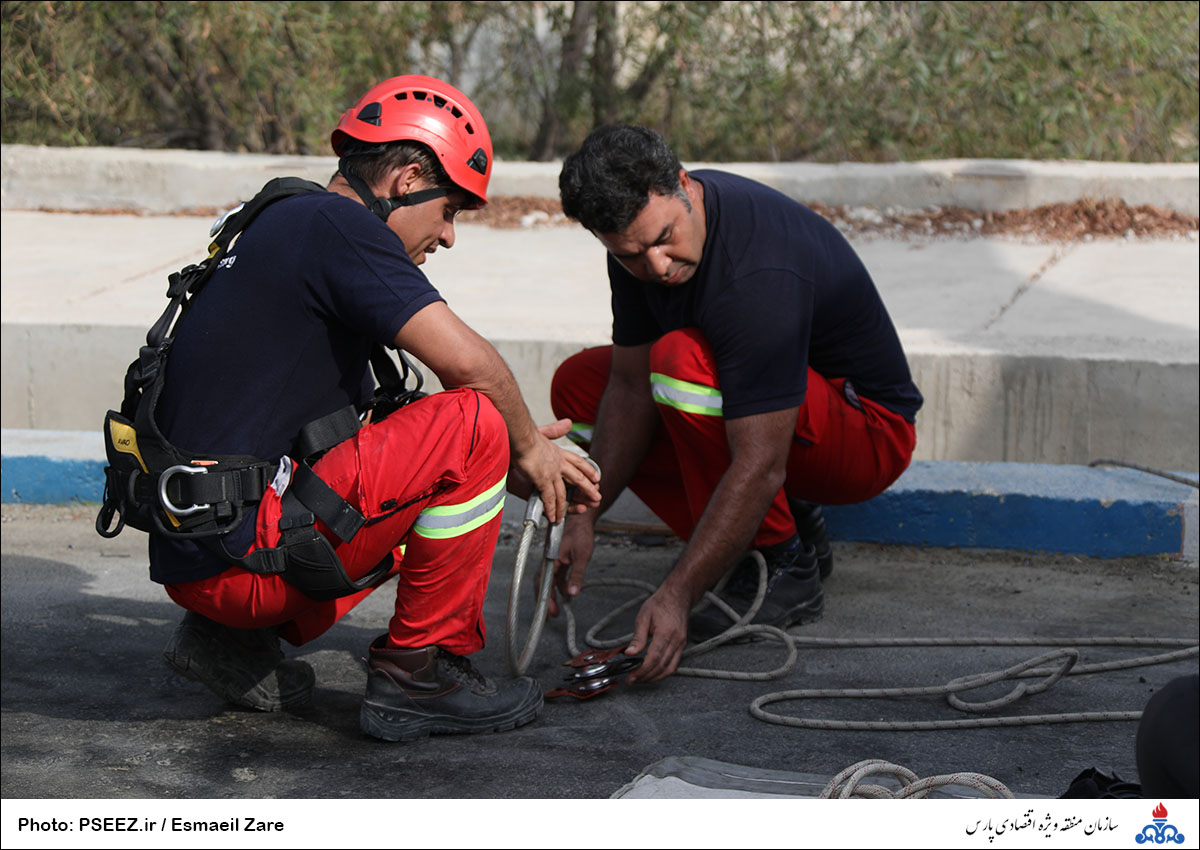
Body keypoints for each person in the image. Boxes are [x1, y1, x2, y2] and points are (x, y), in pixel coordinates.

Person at [147, 75, 600, 741]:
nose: (448, 236)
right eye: (449, 210)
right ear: (406, 177)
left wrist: (518, 436)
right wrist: (523, 445)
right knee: (475, 421)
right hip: (245, 568)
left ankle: (230, 643)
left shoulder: (280, 218)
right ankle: (419, 676)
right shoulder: (340, 226)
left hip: (203, 555)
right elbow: (471, 367)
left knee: (425, 429)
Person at [550, 124, 922, 683]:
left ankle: (783, 565)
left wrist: (678, 593)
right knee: (579, 385)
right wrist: (584, 518)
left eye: (664, 238)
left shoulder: (757, 268)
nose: (656, 266)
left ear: (682, 184)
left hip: (868, 434)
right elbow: (626, 386)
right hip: (776, 412)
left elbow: (760, 461)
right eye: (630, 255)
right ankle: (789, 523)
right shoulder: (634, 243)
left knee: (681, 365)